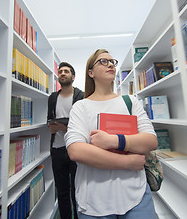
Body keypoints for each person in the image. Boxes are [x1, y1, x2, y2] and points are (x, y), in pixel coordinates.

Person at [64, 49, 158, 218]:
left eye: (112, 61)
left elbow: (150, 141)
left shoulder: (130, 102)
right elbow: (76, 151)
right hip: (93, 201)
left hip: (136, 195)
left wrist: (113, 141)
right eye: (103, 61)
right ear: (90, 73)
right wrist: (127, 162)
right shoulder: (81, 107)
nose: (110, 65)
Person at [47, 62, 84, 219]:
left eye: (66, 71)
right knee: (62, 192)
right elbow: (50, 121)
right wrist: (62, 123)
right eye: (60, 71)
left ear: (73, 77)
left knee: (77, 191)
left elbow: (83, 125)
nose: (62, 73)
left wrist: (62, 127)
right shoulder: (53, 97)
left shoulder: (81, 96)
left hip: (75, 149)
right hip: (57, 149)